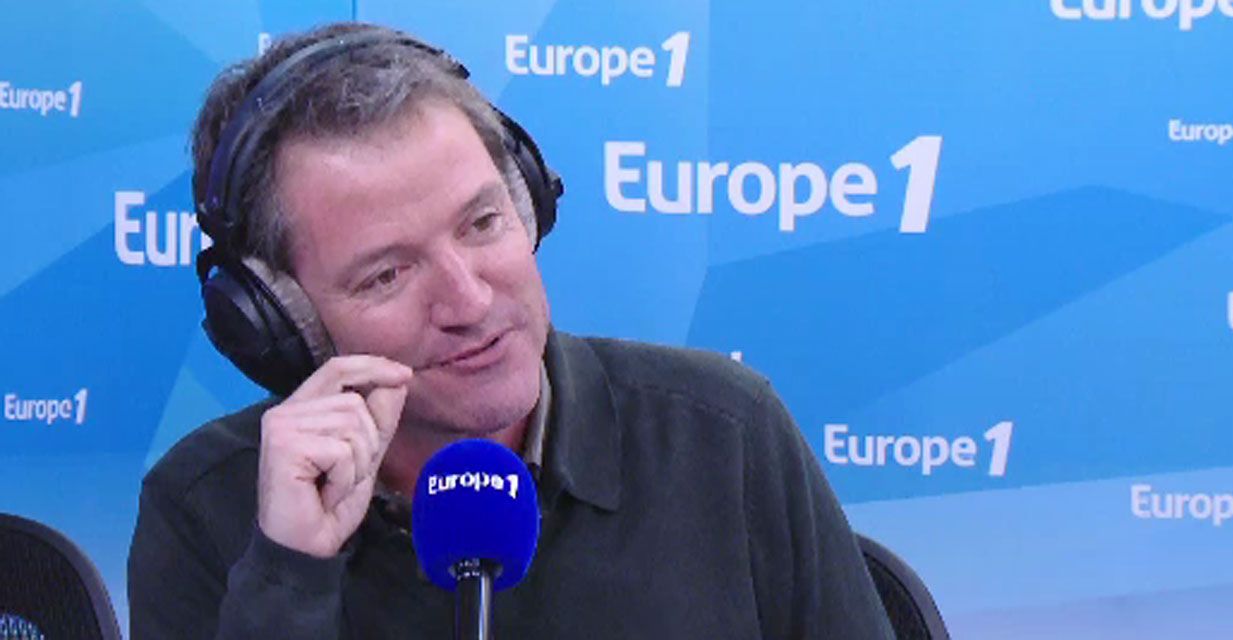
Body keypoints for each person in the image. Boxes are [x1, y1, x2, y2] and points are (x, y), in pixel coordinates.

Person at [127, 22, 894, 640]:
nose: (468, 299)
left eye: (482, 222)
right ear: (280, 319)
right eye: (386, 275)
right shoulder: (206, 510)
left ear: (528, 200)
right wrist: (289, 577)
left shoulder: (725, 436)